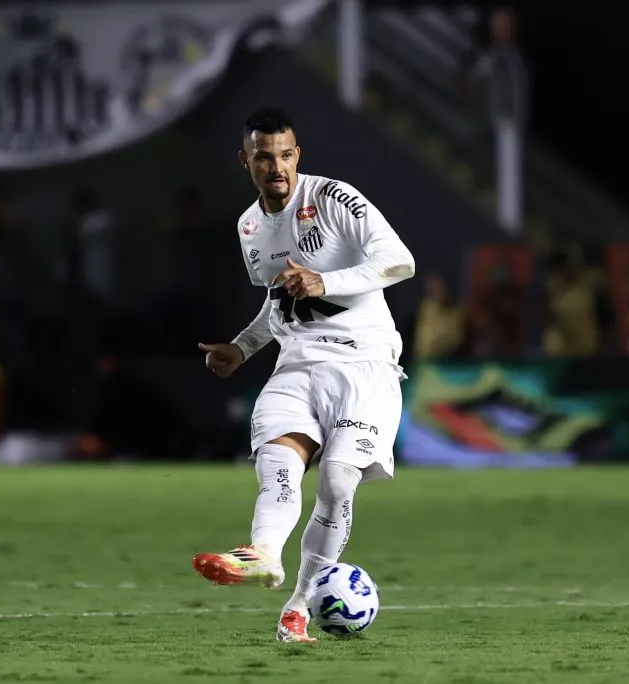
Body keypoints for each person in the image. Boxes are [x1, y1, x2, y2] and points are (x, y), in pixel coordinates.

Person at [192, 107, 416, 642]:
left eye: (286, 155)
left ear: (298, 155)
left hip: (364, 362)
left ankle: (298, 606)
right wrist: (243, 348)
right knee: (278, 459)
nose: (277, 167)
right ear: (246, 161)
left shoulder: (334, 199)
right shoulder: (250, 227)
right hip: (296, 362)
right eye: (264, 157)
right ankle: (264, 554)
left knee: (337, 483)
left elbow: (400, 261)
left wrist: (325, 280)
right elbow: (280, 301)